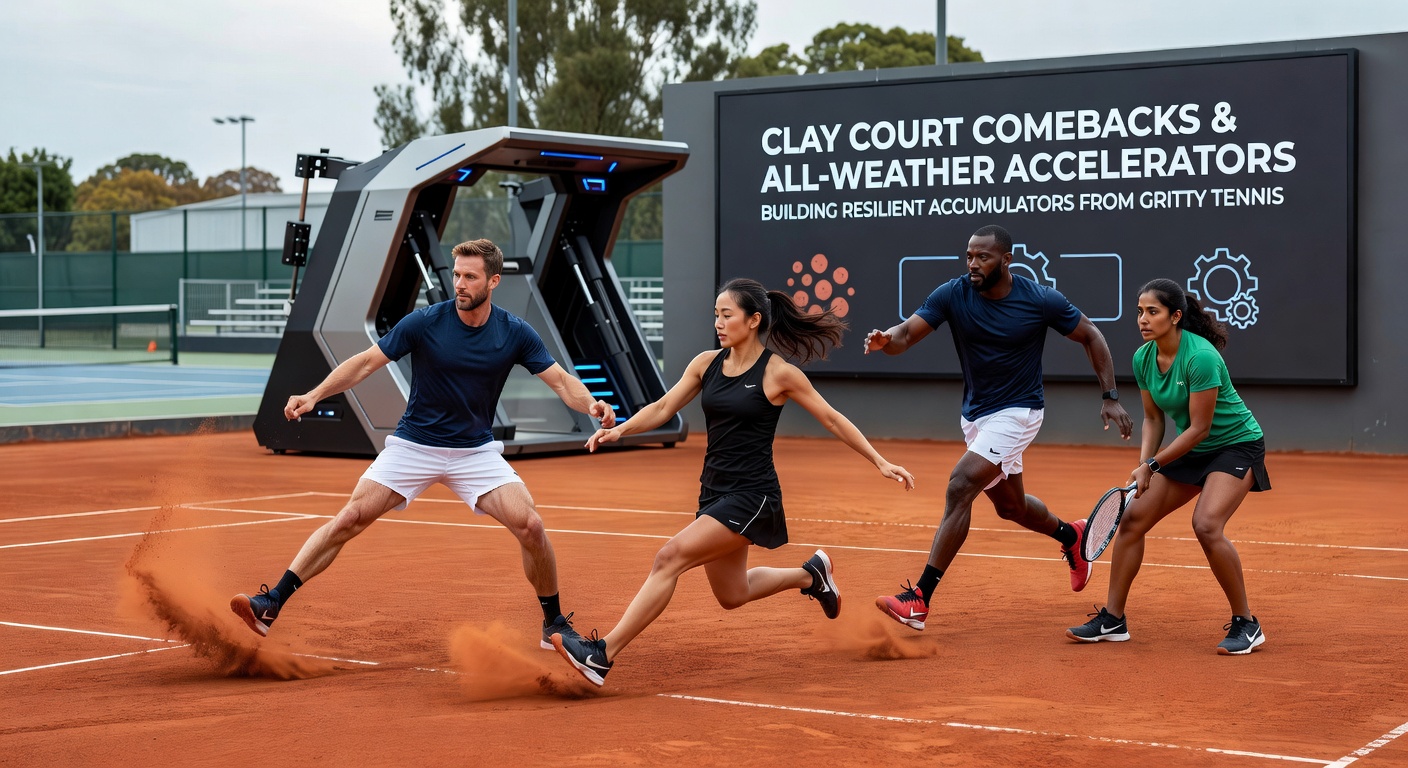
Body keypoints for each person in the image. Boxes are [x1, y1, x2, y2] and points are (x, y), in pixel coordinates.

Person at [230, 238, 614, 651]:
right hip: (415, 445)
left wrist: (591, 403)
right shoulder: (425, 322)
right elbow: (364, 362)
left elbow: (560, 381)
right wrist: (314, 395)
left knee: (532, 526)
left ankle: (553, 624)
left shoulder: (515, 332)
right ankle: (271, 603)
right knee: (349, 517)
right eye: (456, 275)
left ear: (494, 281)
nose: (460, 284)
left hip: (475, 452)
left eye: (470, 276)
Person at [550, 278, 915, 687]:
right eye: (716, 315)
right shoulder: (706, 363)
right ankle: (811, 576)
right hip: (714, 491)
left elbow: (831, 418)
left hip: (753, 495)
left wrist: (880, 461)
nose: (719, 323)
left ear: (754, 319)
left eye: (727, 315)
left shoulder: (779, 373)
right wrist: (621, 431)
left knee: (670, 557)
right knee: (732, 595)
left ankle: (603, 654)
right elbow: (665, 406)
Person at [866, 224, 1134, 631]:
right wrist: (887, 340)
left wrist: (1110, 396)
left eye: (983, 257)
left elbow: (1091, 334)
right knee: (1010, 507)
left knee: (960, 485)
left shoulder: (1040, 299)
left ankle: (919, 599)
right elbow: (906, 334)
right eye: (969, 256)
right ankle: (1071, 536)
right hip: (976, 416)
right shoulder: (952, 293)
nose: (973, 264)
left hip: (1019, 412)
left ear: (1006, 259)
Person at [1066, 278, 1270, 654]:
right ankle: (1113, 619)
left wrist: (1155, 464)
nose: (1143, 320)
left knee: (1207, 525)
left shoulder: (1201, 357)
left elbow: (1200, 427)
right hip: (1190, 449)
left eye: (1152, 312)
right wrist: (1143, 464)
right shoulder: (1143, 358)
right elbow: (1154, 420)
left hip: (1235, 445)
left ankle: (1248, 623)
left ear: (1175, 317)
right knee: (1133, 520)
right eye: (1140, 312)